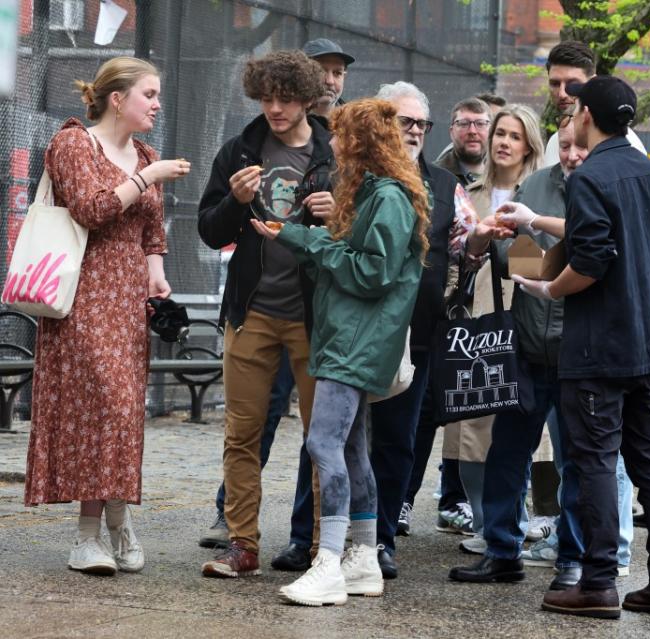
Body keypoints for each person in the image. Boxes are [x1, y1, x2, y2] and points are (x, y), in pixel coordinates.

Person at [512, 76, 650, 620]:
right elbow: (615, 238)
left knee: (591, 464)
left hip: (600, 349)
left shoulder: (590, 176)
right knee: (649, 461)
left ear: (586, 114)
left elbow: (590, 260)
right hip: (649, 343)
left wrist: (547, 287)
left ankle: (597, 583)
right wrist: (536, 222)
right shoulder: (646, 171)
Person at [249, 98, 431, 605]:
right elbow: (363, 259)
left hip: (355, 339)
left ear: (359, 143)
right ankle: (363, 558)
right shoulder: (380, 194)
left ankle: (328, 561)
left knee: (323, 444)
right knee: (350, 448)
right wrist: (301, 234)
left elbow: (372, 272)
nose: (331, 141)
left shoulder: (387, 197)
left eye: (340, 134)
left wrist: (306, 241)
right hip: (352, 337)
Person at [23, 56, 190, 575]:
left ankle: (116, 519)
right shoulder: (73, 144)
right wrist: (147, 177)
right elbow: (92, 209)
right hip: (81, 296)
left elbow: (152, 233)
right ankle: (88, 535)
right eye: (149, 94)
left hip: (127, 301)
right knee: (96, 410)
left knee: (122, 412)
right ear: (117, 99)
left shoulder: (144, 152)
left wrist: (157, 275)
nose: (158, 104)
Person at [198, 37, 357, 572]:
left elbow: (366, 234)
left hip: (318, 318)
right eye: (267, 97)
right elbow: (207, 229)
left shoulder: (338, 153)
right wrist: (235, 202)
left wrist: (339, 214)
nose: (275, 108)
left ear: (309, 97)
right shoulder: (239, 151)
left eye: (286, 97)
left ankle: (320, 550)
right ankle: (242, 544)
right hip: (252, 312)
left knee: (322, 440)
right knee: (241, 433)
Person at [448, 119, 588, 587]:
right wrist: (521, 247)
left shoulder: (602, 187)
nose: (570, 155)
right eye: (563, 147)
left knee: (575, 462)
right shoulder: (536, 184)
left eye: (579, 146)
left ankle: (572, 559)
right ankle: (503, 550)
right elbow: (519, 265)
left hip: (577, 349)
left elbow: (598, 256)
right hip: (527, 344)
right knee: (507, 453)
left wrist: (546, 244)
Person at [369, 80, 488, 579]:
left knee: (398, 439)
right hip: (350, 332)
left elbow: (464, 250)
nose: (415, 131)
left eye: (422, 124)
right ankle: (313, 537)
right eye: (405, 121)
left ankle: (378, 540)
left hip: (415, 336)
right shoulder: (353, 175)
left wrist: (481, 243)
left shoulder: (445, 187)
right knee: (335, 437)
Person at [448, 103, 544, 550]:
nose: (503, 141)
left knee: (513, 430)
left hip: (522, 322)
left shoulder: (539, 196)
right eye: (499, 133)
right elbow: (454, 255)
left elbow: (532, 269)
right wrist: (478, 239)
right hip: (474, 321)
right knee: (469, 432)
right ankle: (485, 524)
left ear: (529, 146)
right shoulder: (468, 192)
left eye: (514, 136)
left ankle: (509, 524)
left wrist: (517, 237)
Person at [541, 41, 646, 165]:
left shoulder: (625, 146)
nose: (562, 94)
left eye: (572, 84)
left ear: (593, 82)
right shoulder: (554, 143)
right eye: (555, 84)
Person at [435, 97, 491, 186]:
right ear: (452, 132)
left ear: (491, 132)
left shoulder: (504, 176)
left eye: (480, 123)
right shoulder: (433, 177)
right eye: (464, 123)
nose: (472, 131)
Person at [303, 38, 354, 117]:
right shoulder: (284, 122)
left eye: (337, 73)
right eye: (320, 71)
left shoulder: (355, 124)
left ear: (344, 77)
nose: (330, 81)